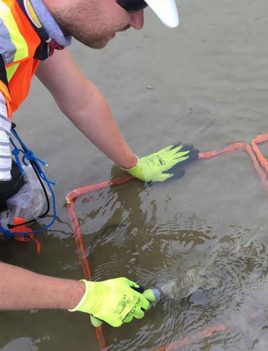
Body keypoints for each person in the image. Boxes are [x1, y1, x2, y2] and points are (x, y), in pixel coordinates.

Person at [0, 0, 191, 327]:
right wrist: (82, 296)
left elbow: (80, 99)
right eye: (132, 3)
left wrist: (132, 163)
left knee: (21, 196)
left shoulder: (28, 16)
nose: (138, 21)